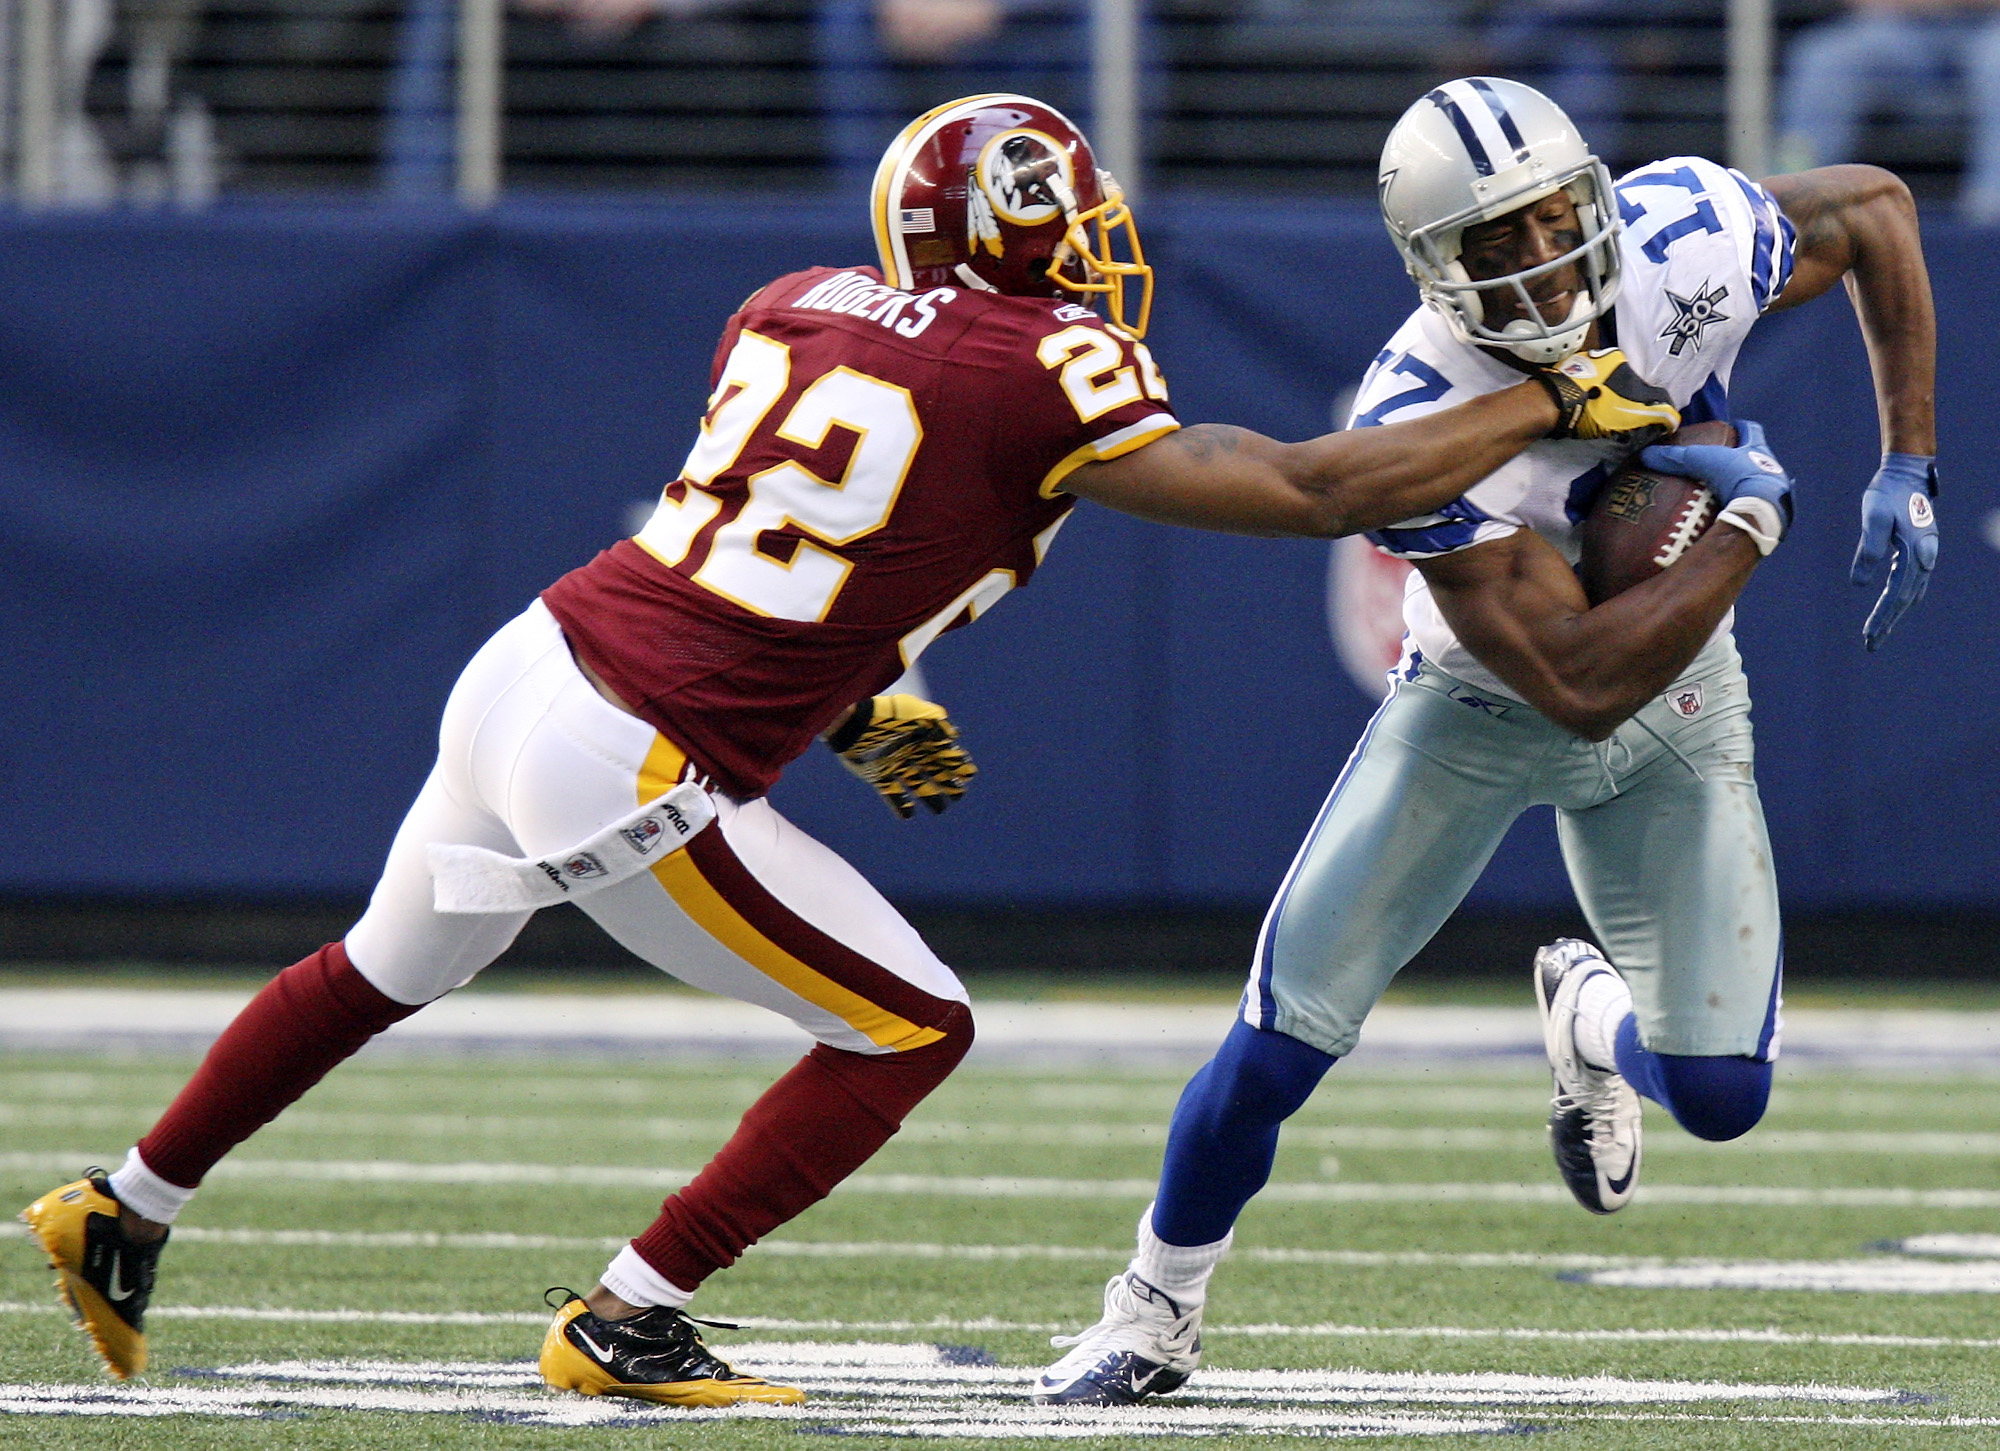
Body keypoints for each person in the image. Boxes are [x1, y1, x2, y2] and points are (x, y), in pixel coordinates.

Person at [19, 90, 1675, 1404]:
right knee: (909, 1028)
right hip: (632, 748)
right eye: (1076, 229)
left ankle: (126, 1205)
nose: (1102, 255)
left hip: (531, 664)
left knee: (383, 962)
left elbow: (803, 539)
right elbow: (1313, 489)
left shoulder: (789, 301)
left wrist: (874, 696)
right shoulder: (1046, 363)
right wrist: (1553, 399)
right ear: (1031, 239)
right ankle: (632, 1317)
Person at [1037, 75, 1939, 1407]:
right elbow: (1573, 683)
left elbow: (1874, 207)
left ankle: (1590, 1012)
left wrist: (1906, 459)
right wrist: (1748, 525)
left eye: (1552, 219)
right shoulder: (1416, 410)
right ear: (1428, 267)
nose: (1540, 259)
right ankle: (1153, 1308)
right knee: (1275, 1047)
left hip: (1682, 696)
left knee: (1721, 1092)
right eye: (1493, 242)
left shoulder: (1684, 234)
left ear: (1596, 195)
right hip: (1479, 710)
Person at [1776, 0, 2000, 224]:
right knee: (1825, 57)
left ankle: (1990, 224)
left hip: (1988, 27)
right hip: (1900, 28)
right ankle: (1789, 212)